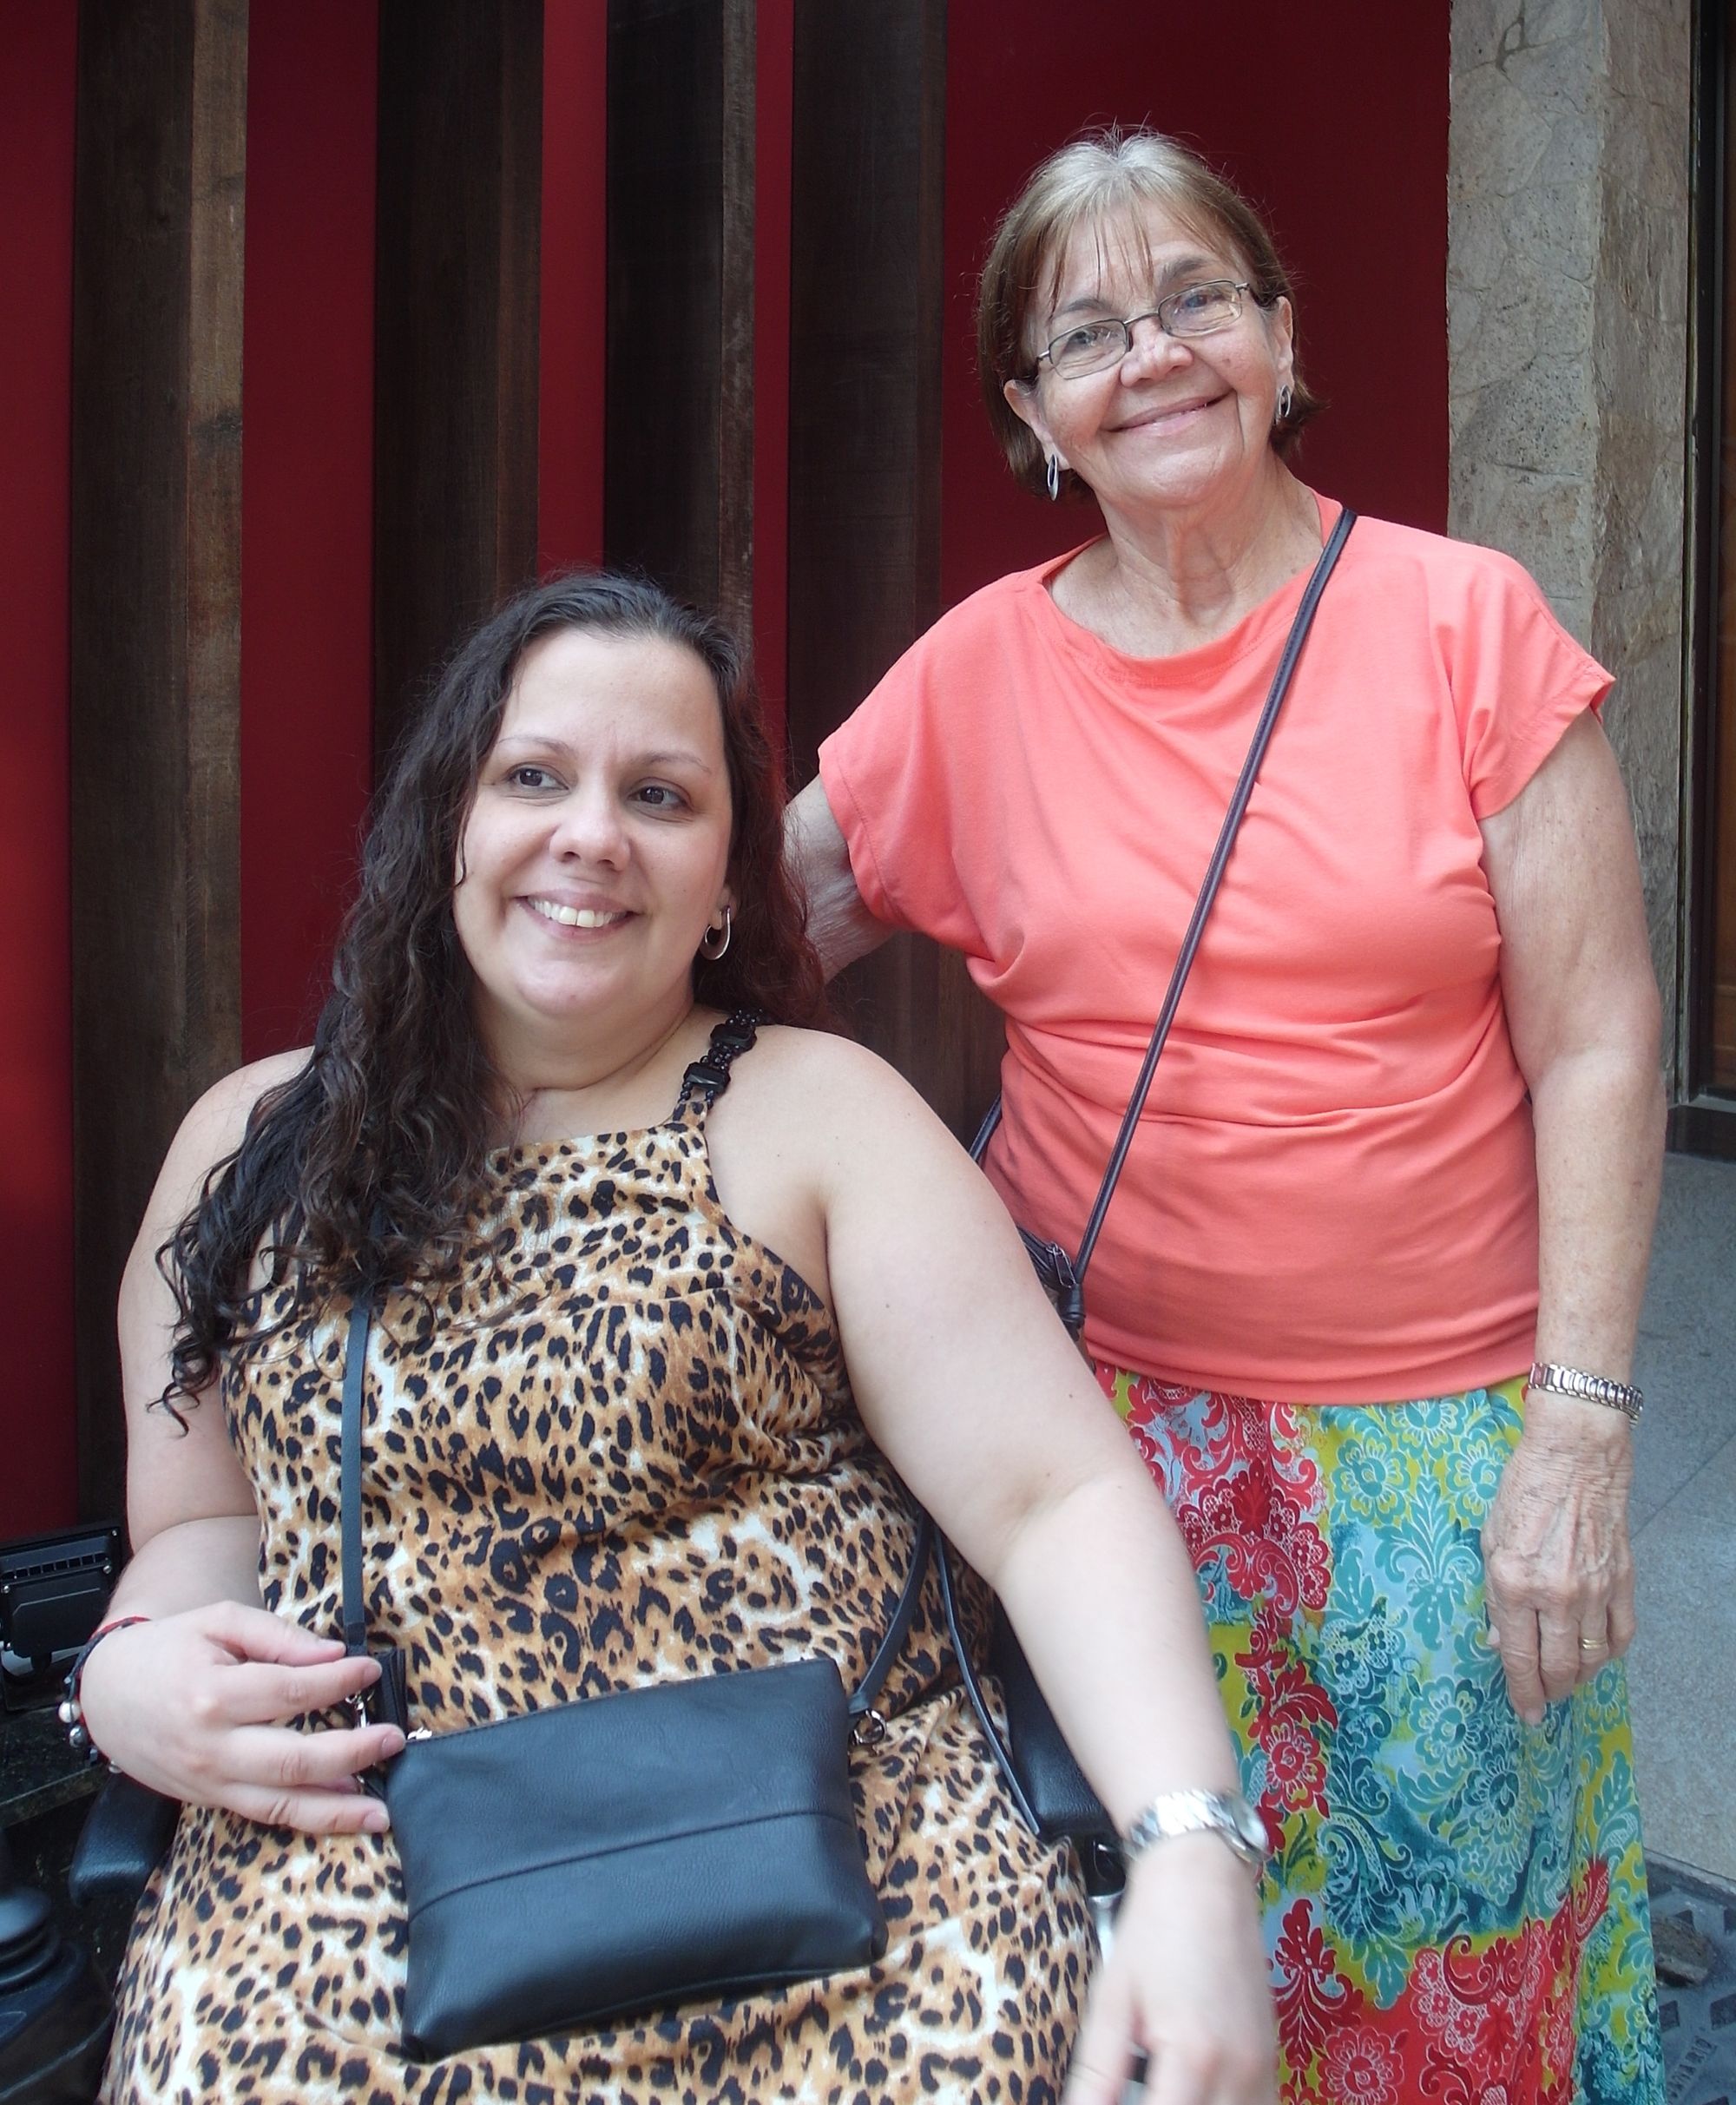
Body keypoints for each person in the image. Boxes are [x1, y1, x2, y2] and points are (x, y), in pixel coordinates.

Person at [79, 570, 1277, 2105]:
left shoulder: (817, 1116)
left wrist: (1190, 1854)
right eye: (534, 777)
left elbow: (1057, 1501)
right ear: (446, 822)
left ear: (725, 879)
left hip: (840, 1887)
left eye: (660, 793)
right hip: (363, 1885)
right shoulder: (250, 1144)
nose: (592, 834)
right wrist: (124, 1674)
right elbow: (201, 1532)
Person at [786, 128, 1667, 2103]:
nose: (1151, 353)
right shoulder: (974, 682)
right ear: (1032, 413)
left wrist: (1577, 1430)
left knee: (1450, 1971)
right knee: (1135, 1980)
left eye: (1194, 297)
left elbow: (1601, 1039)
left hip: (1444, 1461)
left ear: (1277, 336)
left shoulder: (1464, 626)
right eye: (1084, 329)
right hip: (1080, 1457)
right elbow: (736, 946)